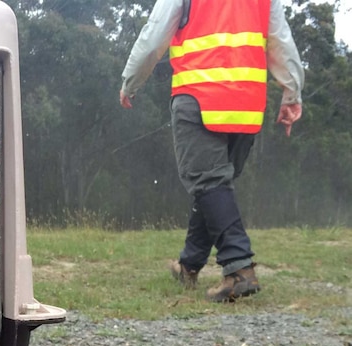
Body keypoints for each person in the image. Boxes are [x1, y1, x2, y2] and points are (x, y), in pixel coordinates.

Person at [119, 0, 304, 302]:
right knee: (214, 188)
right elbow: (280, 41)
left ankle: (239, 268)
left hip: (199, 96)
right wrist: (291, 93)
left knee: (210, 184)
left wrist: (130, 81)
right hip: (246, 103)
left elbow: (154, 36)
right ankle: (189, 265)